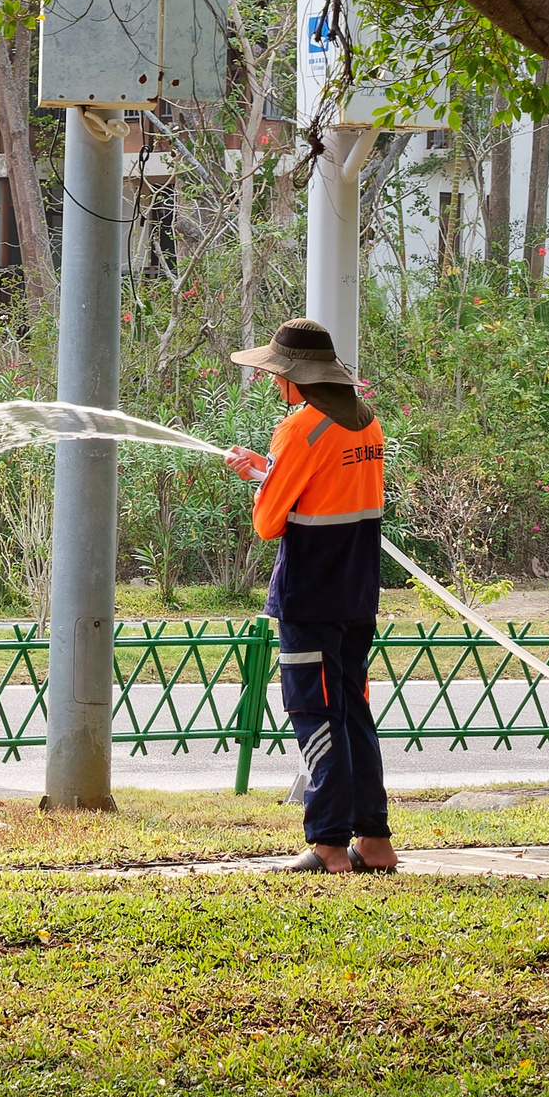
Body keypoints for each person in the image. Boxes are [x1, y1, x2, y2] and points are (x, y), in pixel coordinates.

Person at [225, 318, 395, 873]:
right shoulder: (366, 424)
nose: (276, 384)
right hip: (356, 594)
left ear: (298, 377)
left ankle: (326, 843)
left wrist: (266, 483)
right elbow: (328, 491)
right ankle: (373, 841)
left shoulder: (299, 430)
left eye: (278, 374)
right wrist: (267, 472)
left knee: (315, 715)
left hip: (309, 595)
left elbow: (271, 522)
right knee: (352, 712)